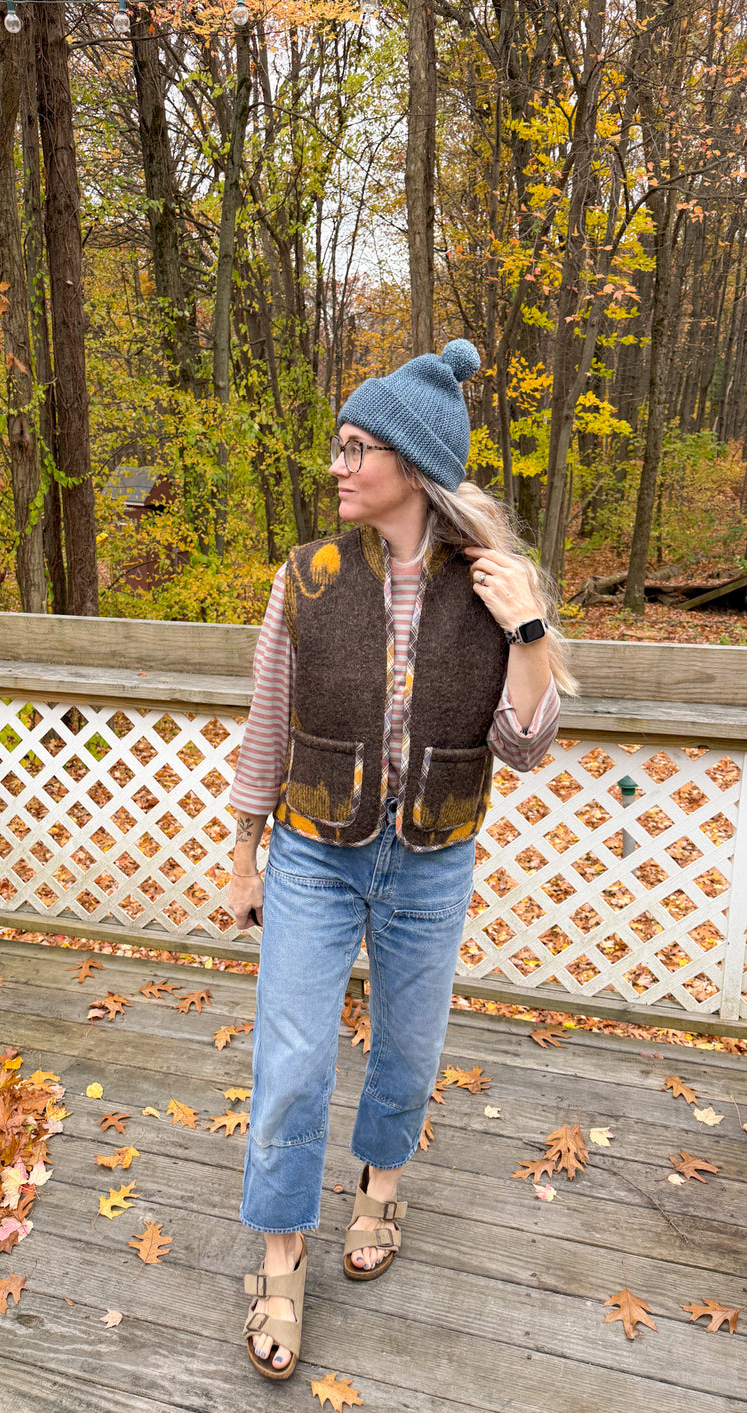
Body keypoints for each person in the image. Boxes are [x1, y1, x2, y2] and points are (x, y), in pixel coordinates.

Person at [226, 339, 575, 1380]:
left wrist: (525, 630)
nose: (336, 466)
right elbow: (263, 727)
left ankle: (379, 1190)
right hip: (314, 854)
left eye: (355, 448)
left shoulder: (489, 588)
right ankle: (281, 1255)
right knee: (290, 1061)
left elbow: (523, 746)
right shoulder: (309, 577)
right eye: (337, 447)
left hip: (432, 857)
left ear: (411, 466)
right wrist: (240, 859)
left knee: (408, 1054)